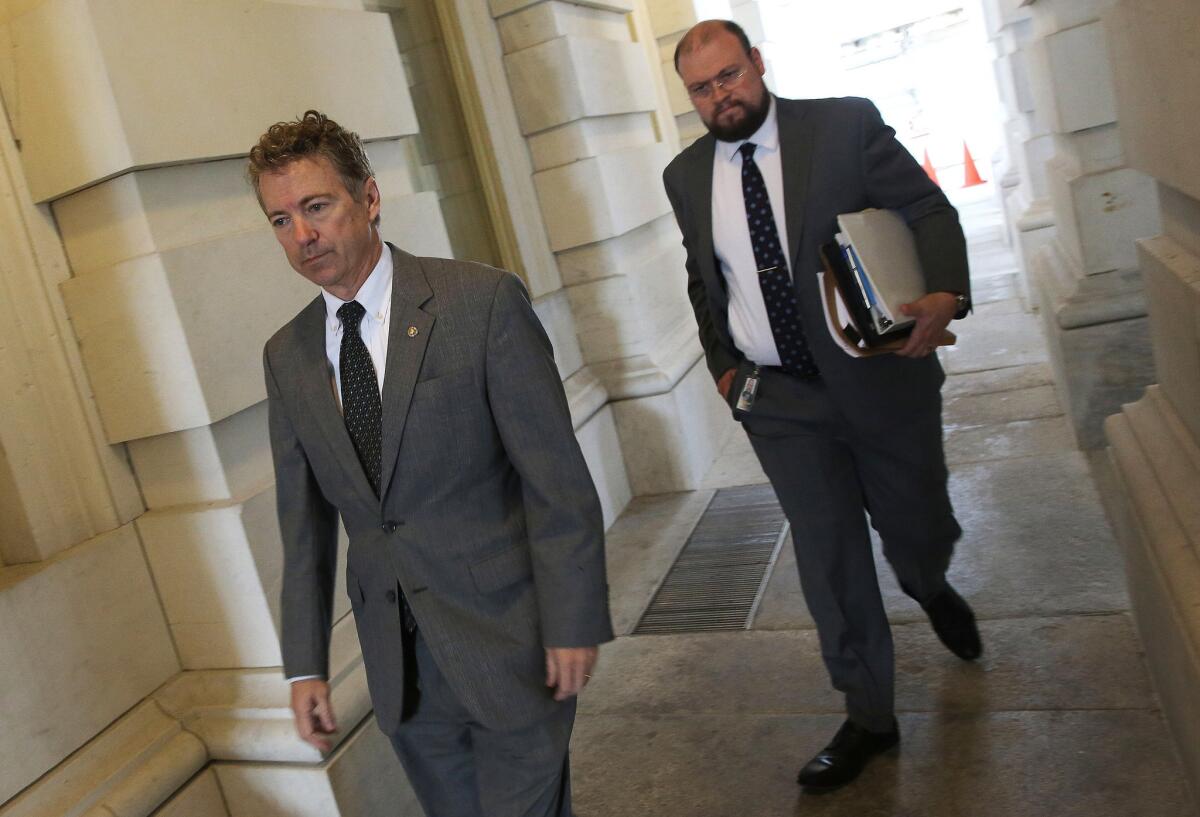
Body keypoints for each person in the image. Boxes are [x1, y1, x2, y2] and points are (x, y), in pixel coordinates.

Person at [253, 110, 612, 817]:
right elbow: (304, 530)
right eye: (281, 219)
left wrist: (573, 619)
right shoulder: (287, 356)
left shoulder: (480, 304)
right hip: (405, 676)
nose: (303, 235)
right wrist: (304, 665)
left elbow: (555, 482)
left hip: (510, 642)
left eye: (317, 206)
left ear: (370, 198)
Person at [663, 21, 982, 792]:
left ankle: (928, 579)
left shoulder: (844, 126)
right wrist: (725, 371)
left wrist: (944, 293)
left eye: (730, 75)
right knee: (829, 554)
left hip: (880, 377)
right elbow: (705, 281)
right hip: (780, 403)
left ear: (757, 64)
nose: (721, 96)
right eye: (703, 88)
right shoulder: (685, 177)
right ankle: (869, 713)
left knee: (914, 522)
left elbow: (928, 209)